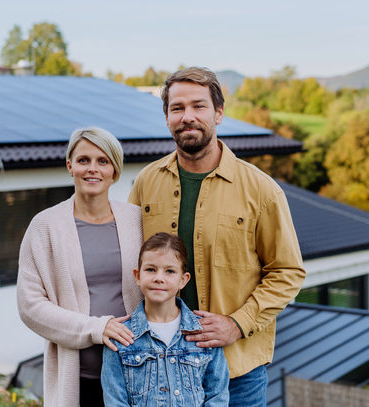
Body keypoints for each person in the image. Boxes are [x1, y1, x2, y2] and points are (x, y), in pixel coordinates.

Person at [128, 67, 306, 406]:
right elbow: (130, 262)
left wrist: (237, 324)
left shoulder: (261, 191)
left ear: (219, 113)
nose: (188, 117)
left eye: (199, 106)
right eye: (177, 108)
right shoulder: (146, 183)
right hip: (159, 368)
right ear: (166, 117)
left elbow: (288, 272)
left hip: (236, 370)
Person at [17, 127, 143, 407]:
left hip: (137, 375)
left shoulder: (137, 220)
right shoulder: (45, 226)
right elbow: (30, 306)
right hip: (79, 380)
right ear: (69, 166)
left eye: (103, 161)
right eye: (84, 160)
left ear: (115, 170)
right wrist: (96, 328)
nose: (92, 169)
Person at [102, 233, 229, 406]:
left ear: (183, 280)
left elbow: (218, 396)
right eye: (151, 270)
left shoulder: (203, 331)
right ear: (138, 276)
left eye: (169, 271)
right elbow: (115, 401)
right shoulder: (121, 337)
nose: (159, 278)